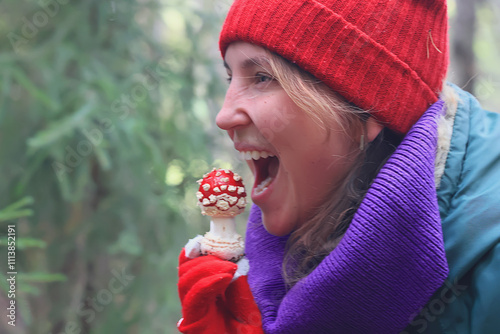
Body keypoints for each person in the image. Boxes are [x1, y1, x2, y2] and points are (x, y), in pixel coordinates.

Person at [178, 0, 500, 333]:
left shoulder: (492, 265)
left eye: (262, 77)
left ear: (367, 106)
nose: (223, 117)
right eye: (231, 77)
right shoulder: (286, 244)